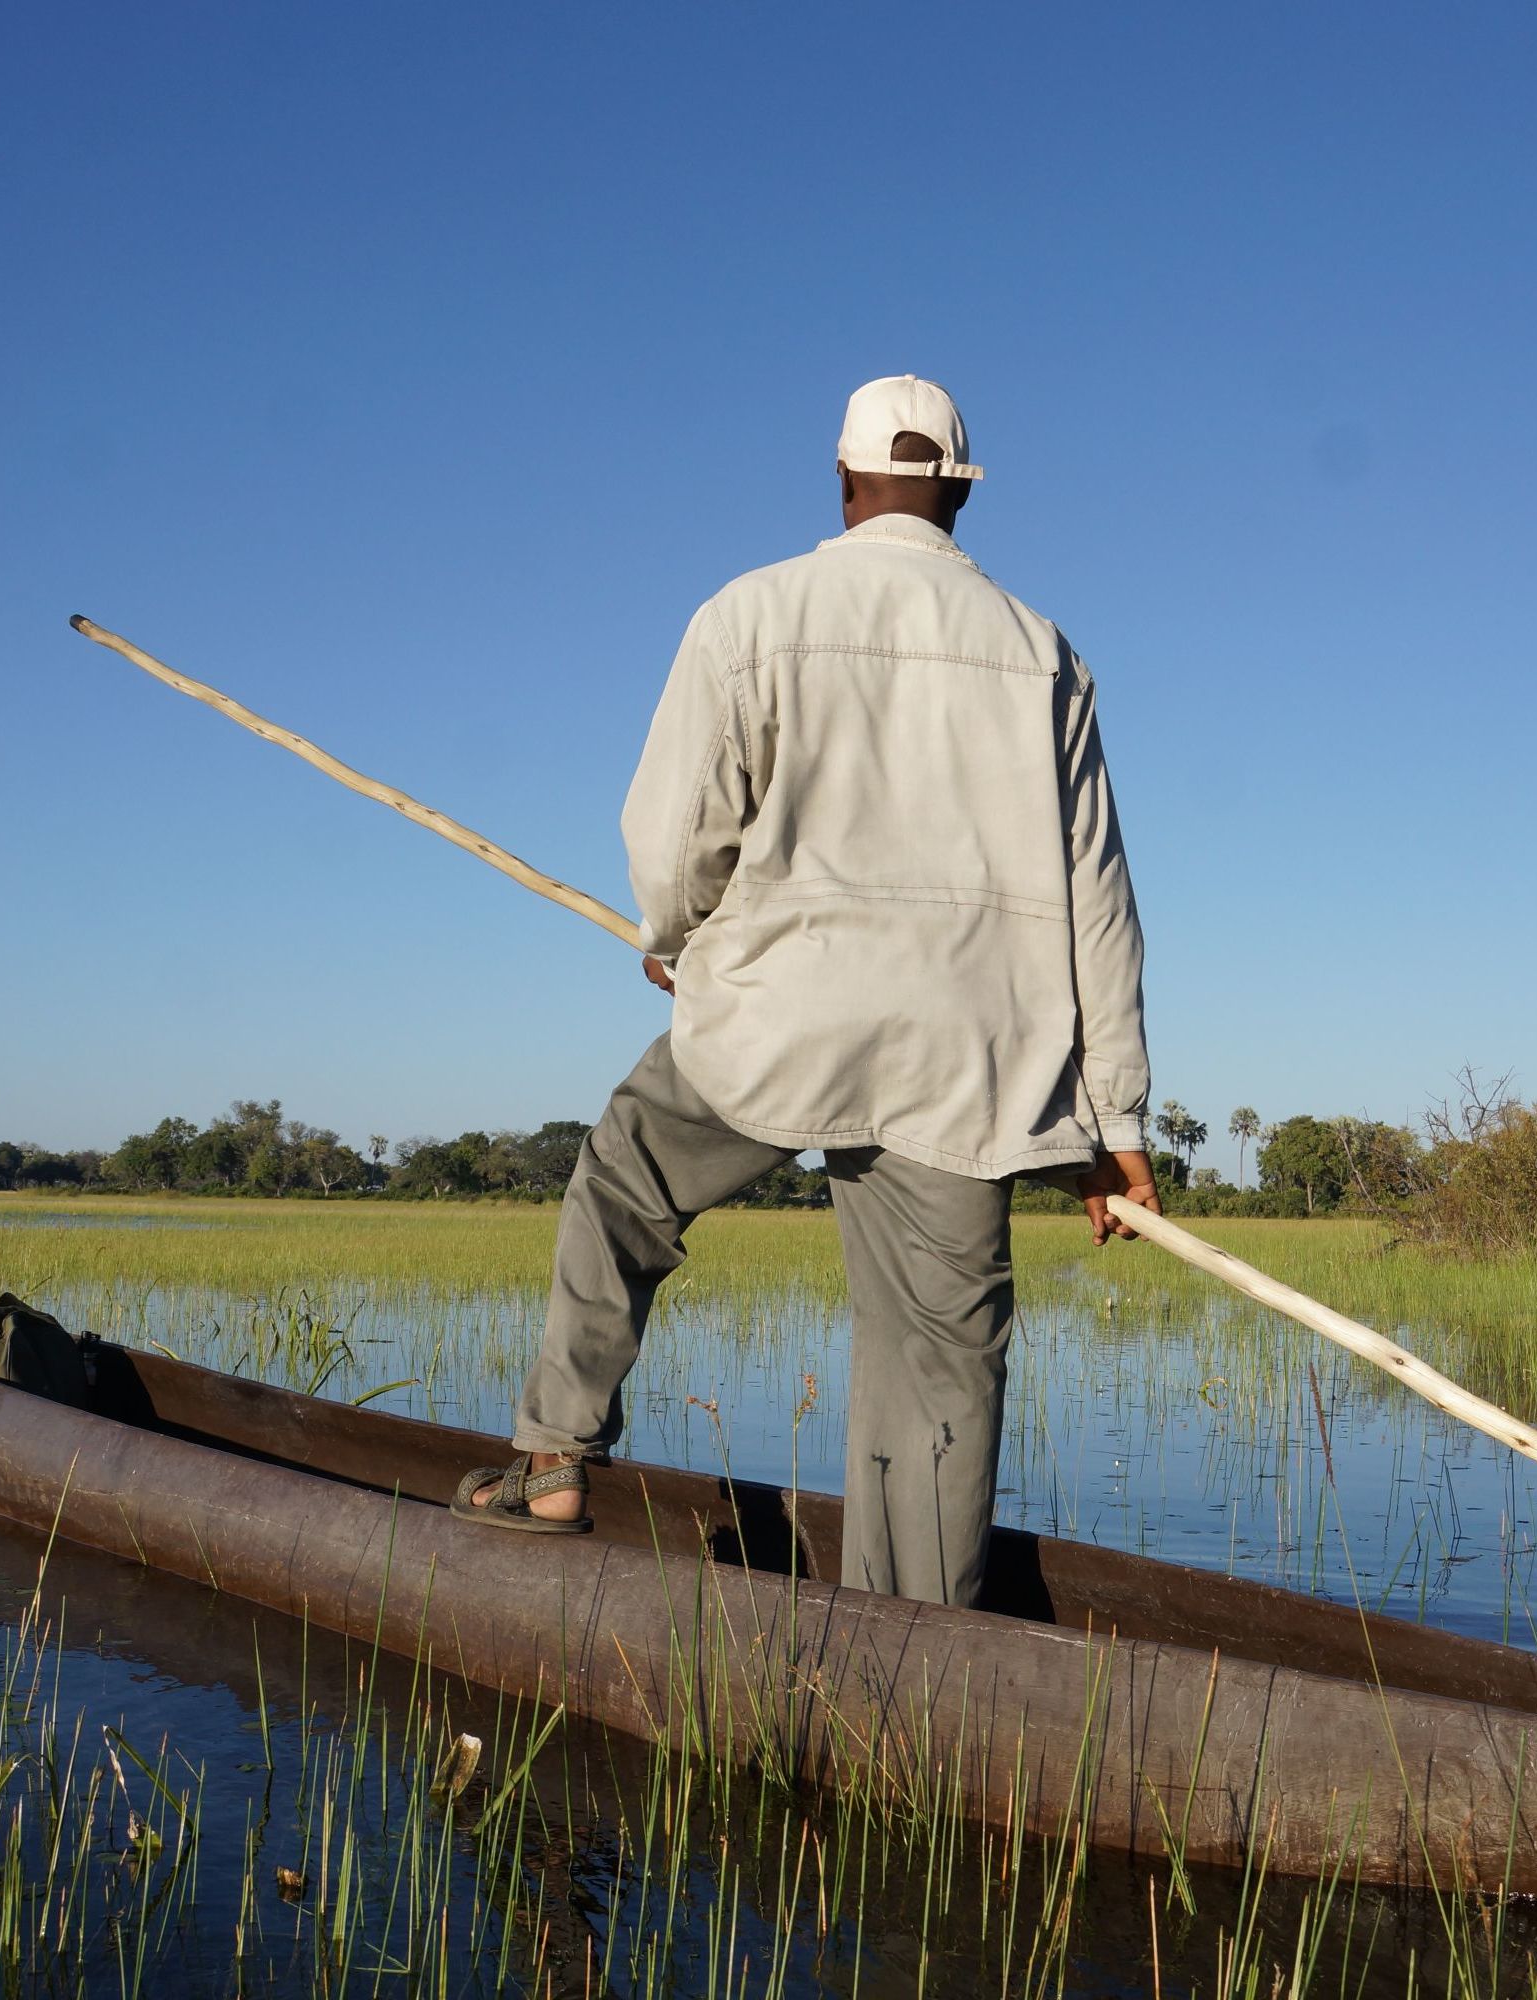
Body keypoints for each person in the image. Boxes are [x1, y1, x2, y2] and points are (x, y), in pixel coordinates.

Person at [457, 375, 1156, 1607]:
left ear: (841, 486)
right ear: (958, 496)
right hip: (967, 1055)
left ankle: (555, 1459)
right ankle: (926, 1642)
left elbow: (676, 838)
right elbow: (1100, 903)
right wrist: (1120, 1126)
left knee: (625, 1178)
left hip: (785, 1017)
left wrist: (676, 930)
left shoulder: (751, 614)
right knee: (938, 1354)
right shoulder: (1050, 658)